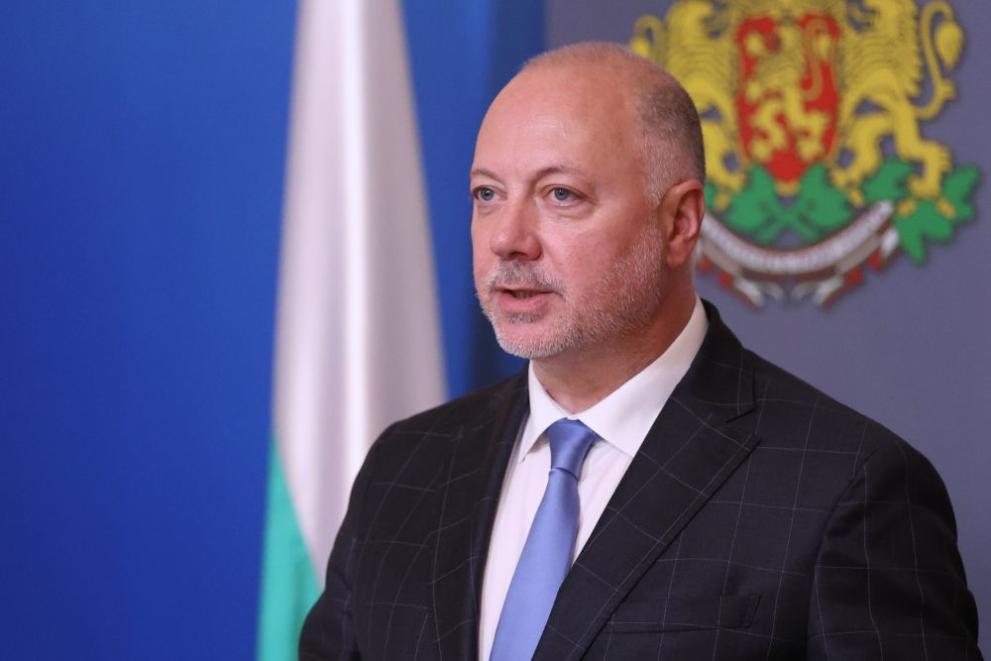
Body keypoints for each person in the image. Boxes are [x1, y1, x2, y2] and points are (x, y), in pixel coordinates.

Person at [299, 42, 981, 660]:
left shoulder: (844, 487)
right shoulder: (406, 465)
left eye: (560, 195)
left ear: (679, 222)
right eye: (487, 194)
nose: (508, 238)